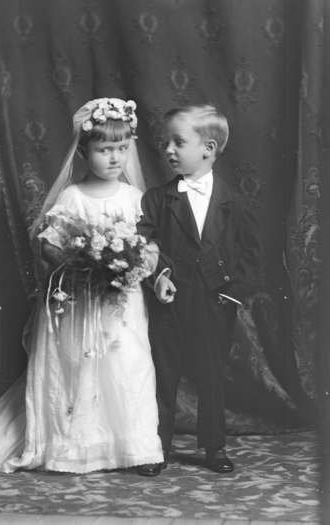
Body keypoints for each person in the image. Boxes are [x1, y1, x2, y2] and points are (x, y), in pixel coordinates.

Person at [0, 98, 163, 475]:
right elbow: (49, 247)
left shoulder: (134, 199)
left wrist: (139, 263)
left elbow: (150, 245)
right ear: (83, 151)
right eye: (104, 149)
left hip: (120, 305)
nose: (114, 158)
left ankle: (133, 447)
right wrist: (83, 262)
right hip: (78, 300)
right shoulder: (73, 197)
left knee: (128, 365)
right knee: (78, 366)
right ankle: (74, 446)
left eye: (122, 149)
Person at [136, 104, 263, 476]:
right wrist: (158, 276)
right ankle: (155, 448)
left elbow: (252, 256)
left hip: (214, 301)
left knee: (211, 377)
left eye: (178, 142)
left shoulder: (233, 202)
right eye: (166, 143)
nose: (168, 150)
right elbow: (143, 244)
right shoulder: (157, 199)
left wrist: (233, 292)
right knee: (163, 375)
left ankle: (214, 447)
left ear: (208, 148)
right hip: (169, 299)